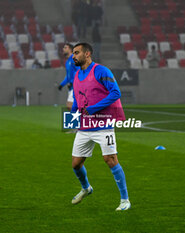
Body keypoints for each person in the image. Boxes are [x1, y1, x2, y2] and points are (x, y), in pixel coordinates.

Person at [70, 42, 130, 211]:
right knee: (76, 164)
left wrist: (93, 109)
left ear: (87, 54)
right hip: (85, 126)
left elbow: (116, 92)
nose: (73, 56)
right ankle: (86, 188)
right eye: (73, 53)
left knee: (110, 160)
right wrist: (73, 117)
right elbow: (77, 99)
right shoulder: (76, 75)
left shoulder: (101, 71)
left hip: (104, 123)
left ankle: (125, 200)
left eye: (76, 53)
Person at [58, 43, 80, 110]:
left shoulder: (74, 58)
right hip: (72, 87)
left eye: (65, 48)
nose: (63, 49)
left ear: (70, 50)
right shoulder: (67, 62)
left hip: (77, 86)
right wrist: (62, 84)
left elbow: (79, 71)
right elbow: (68, 76)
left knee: (70, 106)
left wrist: (72, 82)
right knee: (72, 107)